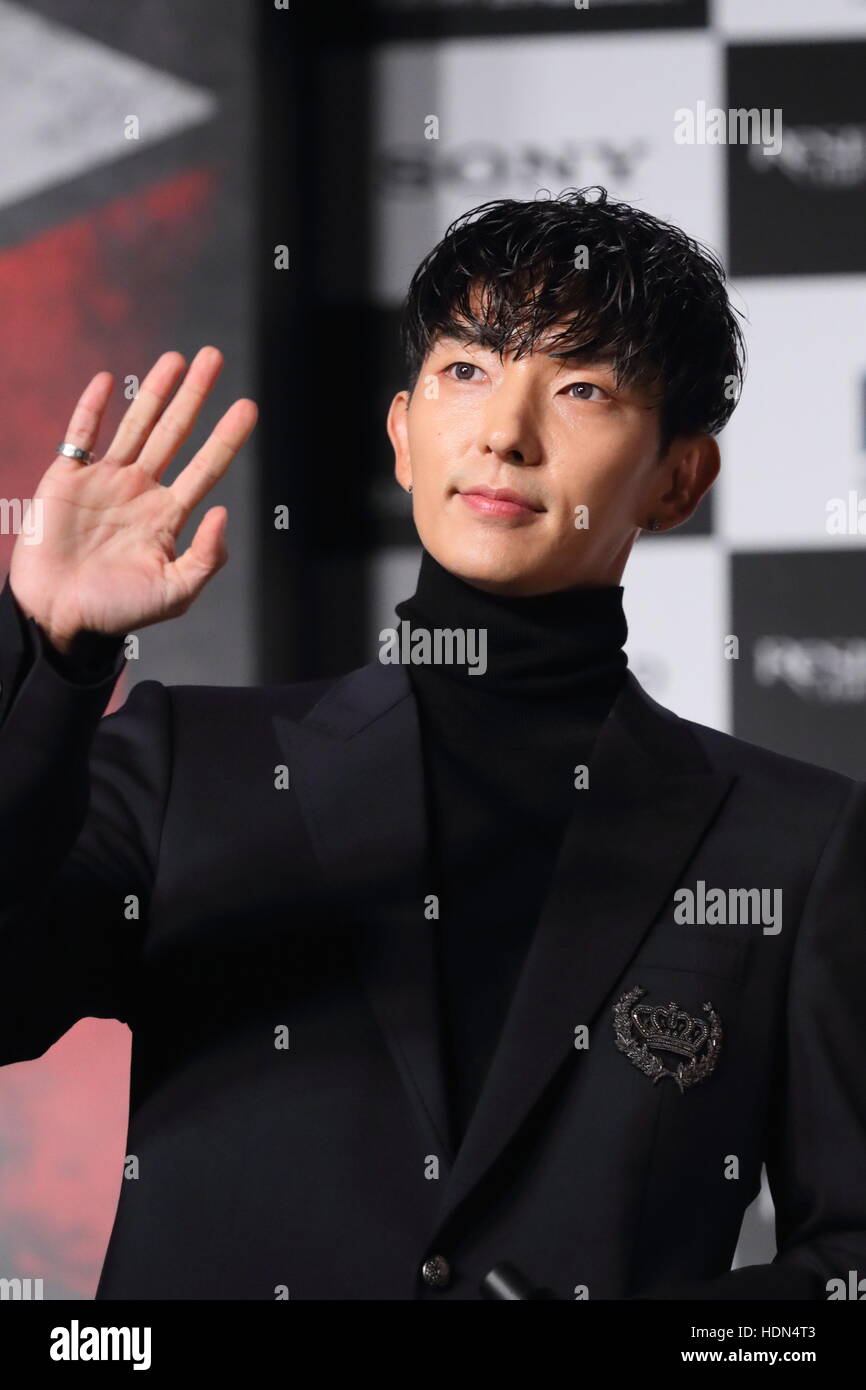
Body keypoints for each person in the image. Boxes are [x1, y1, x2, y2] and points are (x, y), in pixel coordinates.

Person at [1, 187, 865, 1301]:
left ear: (676, 479)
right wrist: (52, 657)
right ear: (404, 435)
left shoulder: (793, 840)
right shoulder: (184, 763)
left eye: (582, 387)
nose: (505, 432)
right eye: (466, 370)